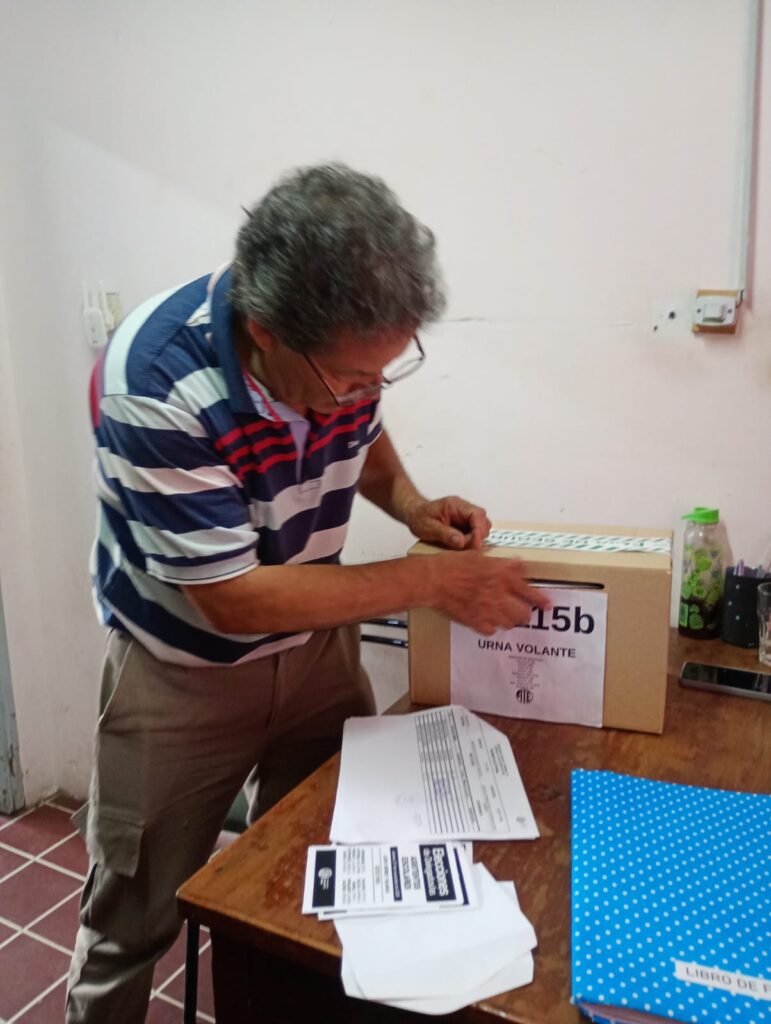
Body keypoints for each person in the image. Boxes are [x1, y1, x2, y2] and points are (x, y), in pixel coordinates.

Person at [66, 164, 546, 1023]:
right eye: (352, 377)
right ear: (266, 332)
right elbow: (234, 601)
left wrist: (411, 506)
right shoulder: (154, 381)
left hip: (320, 649)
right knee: (131, 920)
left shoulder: (332, 360)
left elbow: (361, 431)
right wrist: (428, 580)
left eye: (383, 374)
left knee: (328, 877)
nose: (366, 394)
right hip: (182, 678)